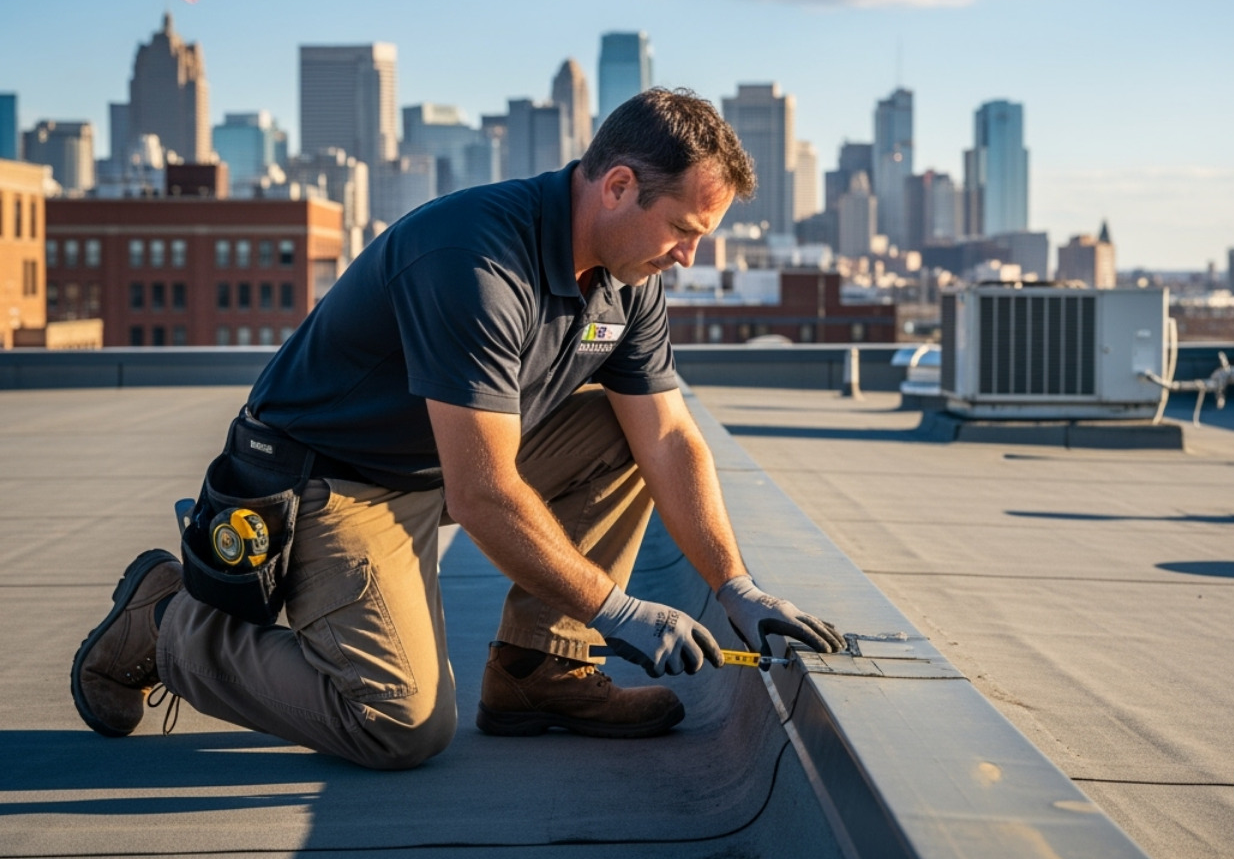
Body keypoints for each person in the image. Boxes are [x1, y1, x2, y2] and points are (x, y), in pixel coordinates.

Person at [70, 89, 845, 769]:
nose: (690, 256)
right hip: (331, 482)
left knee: (624, 433)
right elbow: (483, 494)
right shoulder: (476, 259)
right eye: (682, 228)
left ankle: (540, 669)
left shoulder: (626, 282)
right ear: (617, 187)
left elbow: (669, 438)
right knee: (397, 725)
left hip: (436, 466)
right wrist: (616, 609)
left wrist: (735, 587)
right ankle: (170, 624)